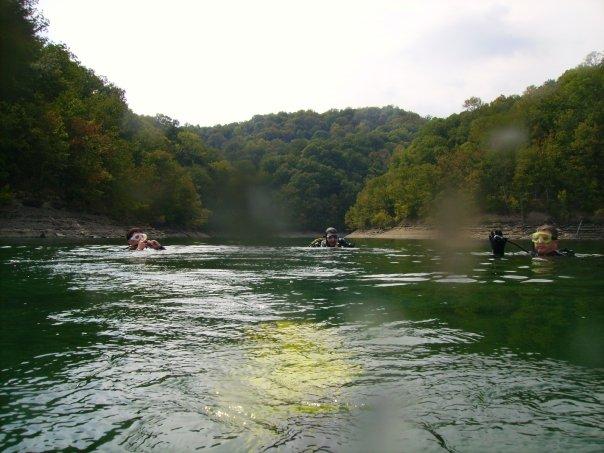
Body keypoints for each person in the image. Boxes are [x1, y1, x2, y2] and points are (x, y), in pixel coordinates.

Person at [488, 225, 573, 257]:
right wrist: (497, 251)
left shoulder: (564, 256)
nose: (540, 241)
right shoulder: (529, 255)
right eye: (536, 238)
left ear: (555, 243)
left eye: (545, 238)